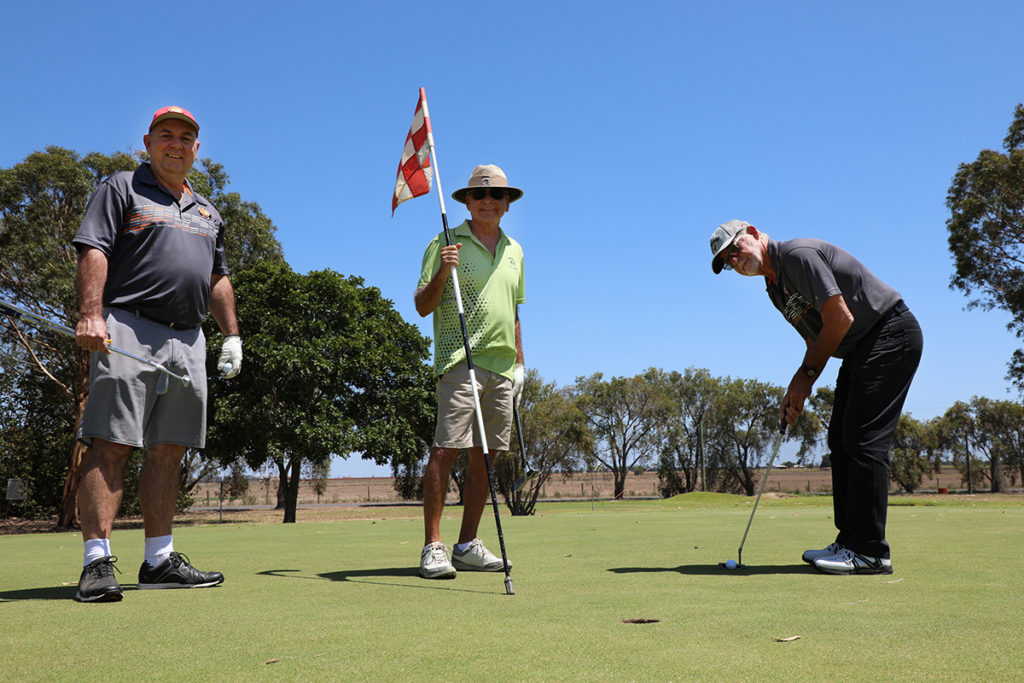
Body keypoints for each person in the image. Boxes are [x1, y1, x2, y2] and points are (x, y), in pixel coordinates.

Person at [70, 106, 243, 602]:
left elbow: (217, 278)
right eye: (166, 135)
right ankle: (97, 562)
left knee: (170, 449)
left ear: (196, 148)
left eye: (186, 137)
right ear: (148, 142)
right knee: (112, 442)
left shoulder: (209, 211)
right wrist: (91, 312)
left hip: (188, 338)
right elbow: (94, 248)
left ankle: (159, 559)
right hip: (128, 324)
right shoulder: (121, 188)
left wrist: (231, 335)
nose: (176, 144)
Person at [710, 220, 923, 575]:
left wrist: (805, 378)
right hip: (861, 349)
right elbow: (816, 338)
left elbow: (839, 318)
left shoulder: (796, 255)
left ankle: (871, 552)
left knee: (863, 441)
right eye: (727, 260)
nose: (735, 260)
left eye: (736, 249)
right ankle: (850, 541)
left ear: (753, 232)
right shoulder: (774, 288)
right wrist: (798, 390)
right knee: (840, 439)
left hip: (889, 334)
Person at [414, 164, 526, 579]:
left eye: (497, 195)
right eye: (480, 195)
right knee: (446, 450)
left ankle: (466, 545)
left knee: (486, 457)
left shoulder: (515, 250)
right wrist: (445, 269)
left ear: (507, 204)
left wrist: (520, 366)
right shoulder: (445, 243)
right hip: (460, 361)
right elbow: (423, 305)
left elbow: (514, 312)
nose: (488, 202)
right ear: (466, 201)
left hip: (502, 369)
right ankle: (433, 547)